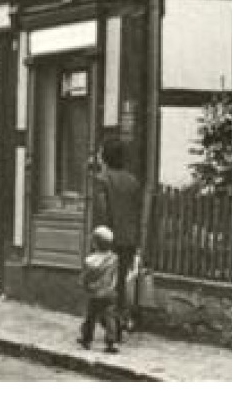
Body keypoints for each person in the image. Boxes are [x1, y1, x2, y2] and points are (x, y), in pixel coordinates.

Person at [91, 138, 142, 331]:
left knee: (102, 283)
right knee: (119, 282)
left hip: (109, 240)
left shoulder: (102, 179)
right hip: (128, 240)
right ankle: (119, 318)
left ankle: (109, 325)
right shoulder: (132, 181)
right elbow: (136, 212)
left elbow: (102, 212)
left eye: (100, 152)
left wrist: (99, 240)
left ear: (105, 156)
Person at [79, 225, 121, 353]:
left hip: (94, 293)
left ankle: (86, 340)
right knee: (110, 317)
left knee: (90, 317)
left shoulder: (90, 260)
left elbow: (85, 277)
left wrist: (84, 285)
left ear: (95, 244)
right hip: (109, 292)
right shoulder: (114, 258)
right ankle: (111, 342)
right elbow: (115, 275)